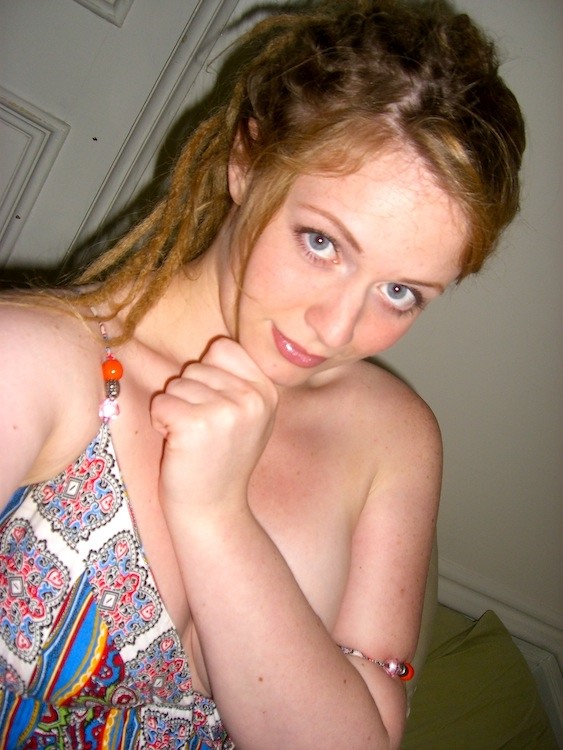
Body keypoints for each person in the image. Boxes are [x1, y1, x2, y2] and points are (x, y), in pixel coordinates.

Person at [0, 0, 525, 747]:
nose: (336, 330)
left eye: (400, 292)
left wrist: (217, 515)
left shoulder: (393, 435)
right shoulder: (32, 361)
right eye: (321, 242)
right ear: (247, 161)